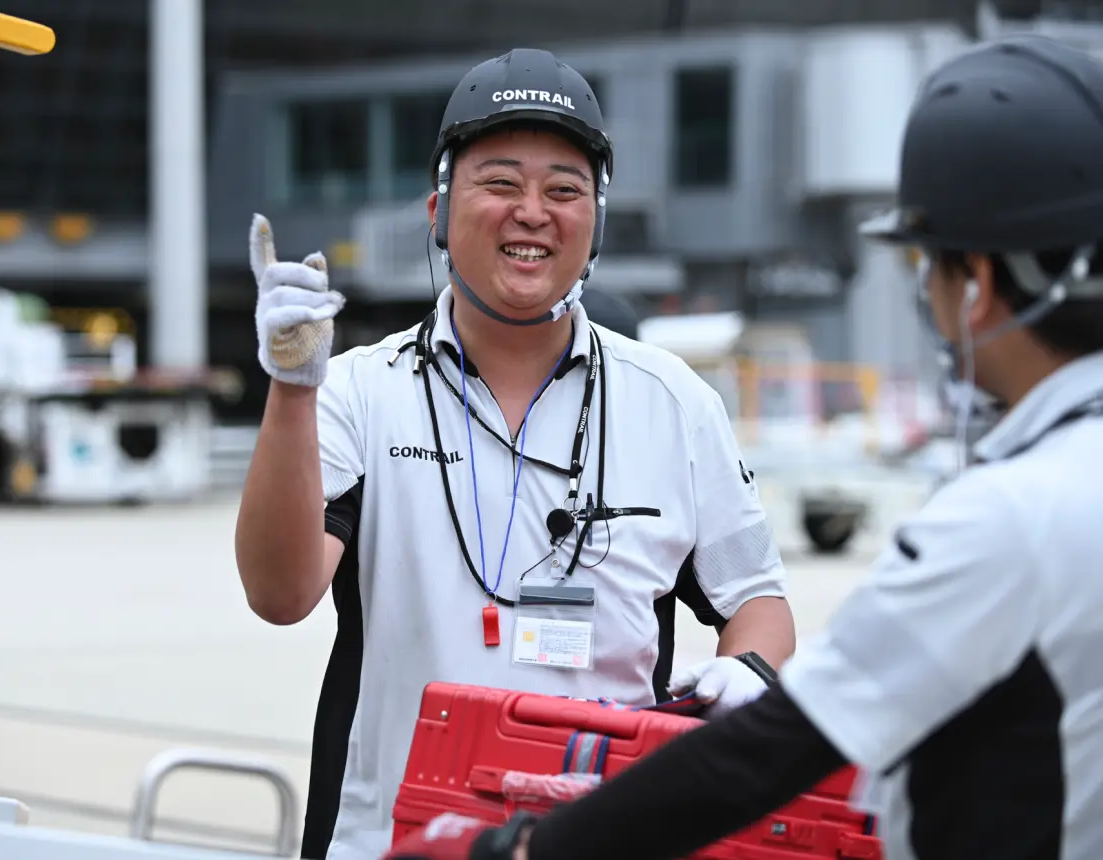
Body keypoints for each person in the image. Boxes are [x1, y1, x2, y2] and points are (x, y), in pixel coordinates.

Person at [381, 33, 1103, 860]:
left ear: (974, 286)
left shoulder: (1009, 518)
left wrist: (514, 852)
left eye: (927, 269)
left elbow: (771, 751)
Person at [235, 47, 796, 860]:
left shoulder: (674, 403)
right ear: (438, 209)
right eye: (499, 183)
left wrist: (750, 670)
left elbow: (759, 601)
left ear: (594, 220)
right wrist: (291, 390)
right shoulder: (357, 391)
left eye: (564, 190)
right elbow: (279, 594)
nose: (532, 212)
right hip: (390, 838)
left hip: (603, 838)